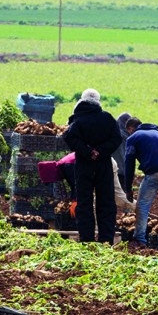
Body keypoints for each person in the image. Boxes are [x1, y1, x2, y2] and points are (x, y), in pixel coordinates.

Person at [62, 89, 122, 243]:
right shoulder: (107, 118)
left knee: (84, 202)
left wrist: (87, 152)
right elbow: (116, 138)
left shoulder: (78, 120)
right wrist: (100, 151)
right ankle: (106, 239)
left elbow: (69, 137)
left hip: (84, 165)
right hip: (103, 164)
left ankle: (87, 239)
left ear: (82, 100)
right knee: (106, 202)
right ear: (98, 101)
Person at [111, 112, 134, 201]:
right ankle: (128, 211)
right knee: (125, 192)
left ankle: (127, 210)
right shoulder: (129, 136)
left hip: (115, 168)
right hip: (126, 169)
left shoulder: (115, 134)